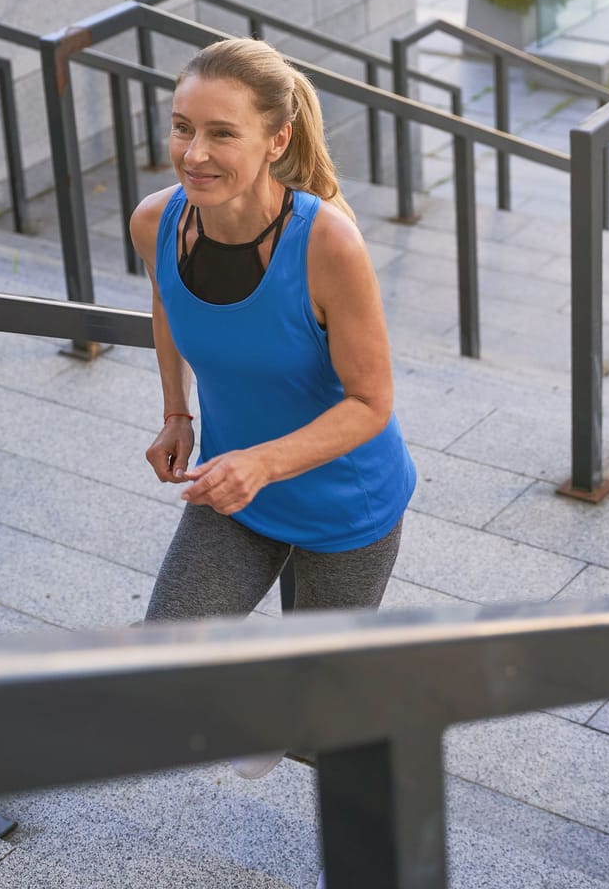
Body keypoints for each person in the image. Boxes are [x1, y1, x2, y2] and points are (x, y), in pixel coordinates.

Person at [129, 34, 416, 645]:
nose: (194, 154)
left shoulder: (327, 245)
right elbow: (166, 304)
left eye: (222, 133)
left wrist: (261, 464)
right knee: (162, 657)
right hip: (236, 491)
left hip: (345, 502)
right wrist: (176, 413)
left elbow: (372, 402)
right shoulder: (155, 222)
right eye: (183, 128)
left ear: (276, 140)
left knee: (313, 697)